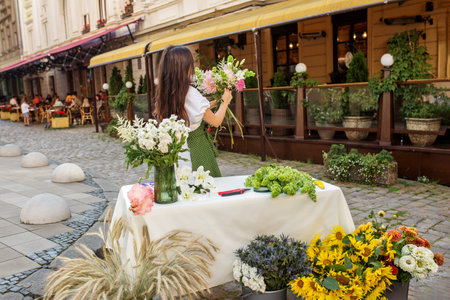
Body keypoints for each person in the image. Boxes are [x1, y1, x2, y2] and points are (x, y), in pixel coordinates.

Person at [154, 45, 232, 177]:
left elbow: (195, 111)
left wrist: (216, 102)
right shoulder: (190, 93)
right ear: (184, 67)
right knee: (204, 188)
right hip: (197, 149)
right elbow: (216, 121)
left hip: (178, 150)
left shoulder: (167, 93)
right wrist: (225, 102)